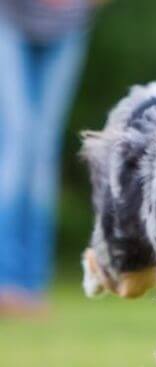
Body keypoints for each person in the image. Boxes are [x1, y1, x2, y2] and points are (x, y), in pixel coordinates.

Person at [0, 0, 95, 315]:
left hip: (68, 23)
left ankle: (32, 284)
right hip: (10, 17)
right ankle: (6, 281)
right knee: (16, 142)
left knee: (42, 152)